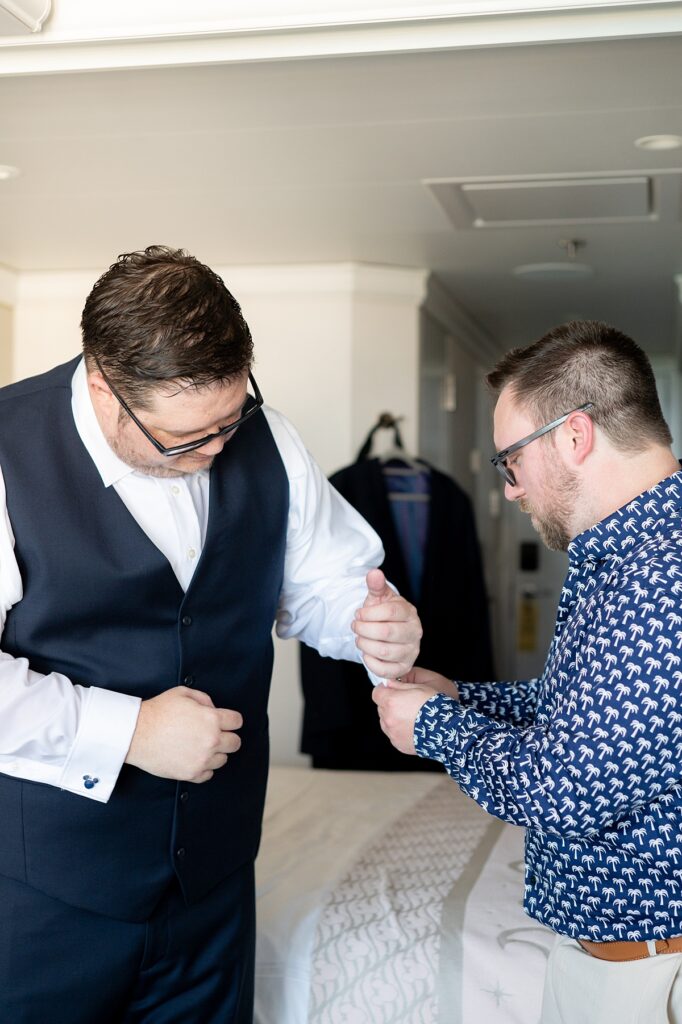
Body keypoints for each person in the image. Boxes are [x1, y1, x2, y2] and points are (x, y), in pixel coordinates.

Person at [0, 245, 421, 1024]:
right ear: (103, 386)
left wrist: (373, 629)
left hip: (215, 885)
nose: (219, 449)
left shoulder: (271, 441)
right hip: (41, 897)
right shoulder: (5, 449)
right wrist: (130, 729)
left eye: (232, 417)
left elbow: (328, 585)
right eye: (186, 438)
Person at [373, 320, 682, 1024]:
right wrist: (459, 695)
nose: (510, 489)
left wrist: (436, 727)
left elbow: (559, 790)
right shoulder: (626, 556)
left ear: (574, 437)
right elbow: (584, 713)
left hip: (646, 969)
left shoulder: (660, 575)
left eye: (510, 462)